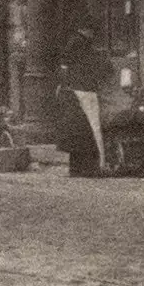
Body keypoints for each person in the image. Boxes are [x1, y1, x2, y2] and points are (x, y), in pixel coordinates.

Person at [55, 28, 114, 177]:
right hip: (86, 92)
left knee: (77, 130)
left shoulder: (72, 50)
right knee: (93, 128)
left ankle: (76, 167)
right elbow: (105, 70)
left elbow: (64, 68)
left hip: (74, 91)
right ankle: (94, 167)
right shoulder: (86, 49)